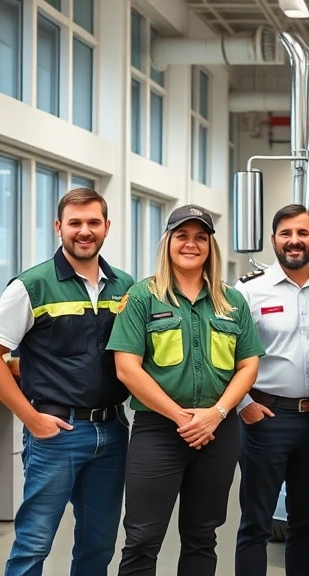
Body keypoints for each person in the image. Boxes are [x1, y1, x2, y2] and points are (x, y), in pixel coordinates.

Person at [0, 188, 135, 576]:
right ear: (59, 228)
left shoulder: (124, 286)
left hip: (112, 431)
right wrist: (31, 418)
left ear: (107, 228)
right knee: (34, 543)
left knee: (99, 543)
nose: (84, 231)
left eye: (93, 222)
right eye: (75, 223)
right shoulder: (32, 285)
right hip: (57, 433)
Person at [106, 204, 264, 576]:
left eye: (200, 237)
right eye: (182, 236)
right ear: (168, 242)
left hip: (218, 432)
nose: (191, 244)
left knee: (202, 535)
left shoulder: (231, 301)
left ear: (210, 245)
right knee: (142, 537)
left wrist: (217, 414)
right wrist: (181, 417)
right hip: (158, 431)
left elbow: (248, 365)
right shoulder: (143, 297)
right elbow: (127, 369)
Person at [234, 204, 309, 576]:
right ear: (273, 239)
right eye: (286, 233)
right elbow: (226, 354)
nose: (294, 241)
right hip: (266, 420)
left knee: (306, 525)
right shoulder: (248, 292)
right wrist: (243, 404)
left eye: (302, 233)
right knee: (255, 525)